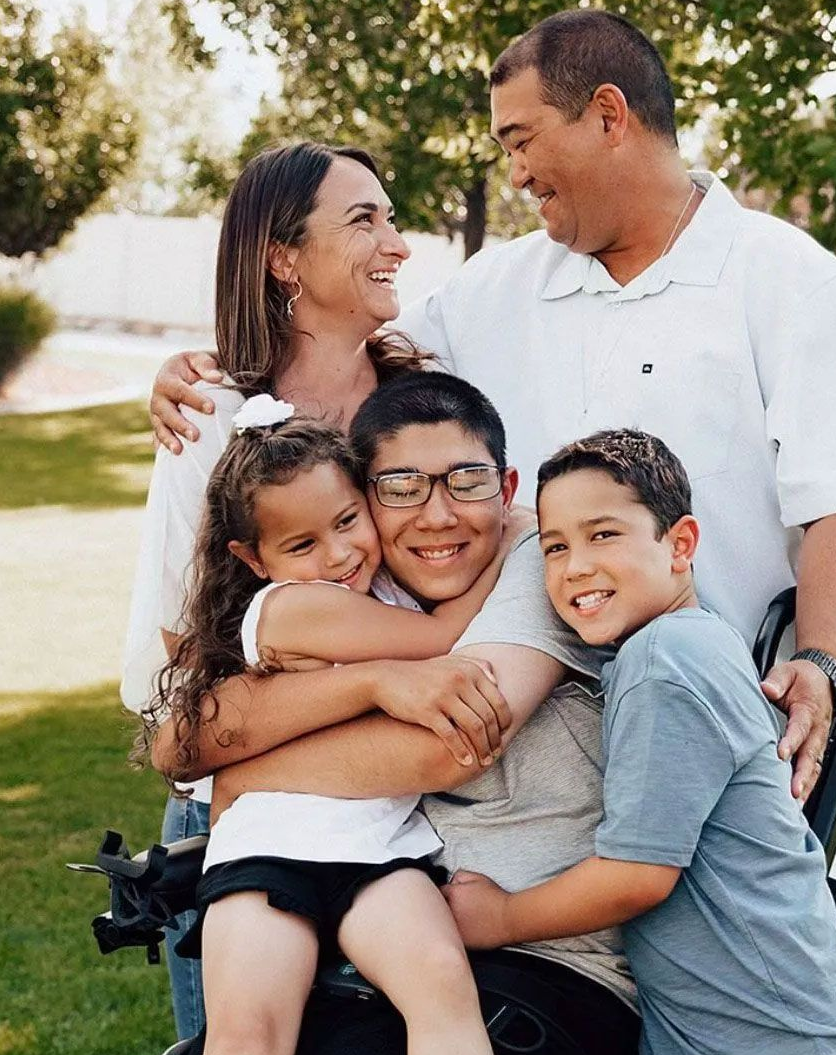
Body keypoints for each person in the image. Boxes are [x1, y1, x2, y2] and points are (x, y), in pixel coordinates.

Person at [149, 10, 836, 968]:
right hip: (543, 823)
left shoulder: (791, 281)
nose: (511, 171)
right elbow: (329, 340)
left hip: (742, 795)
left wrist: (825, 665)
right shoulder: (493, 291)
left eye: (520, 138)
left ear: (607, 114)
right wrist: (207, 374)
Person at [120, 140, 495, 1041]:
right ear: (282, 257)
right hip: (240, 815)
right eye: (364, 220)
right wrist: (372, 683)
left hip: (394, 812)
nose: (397, 242)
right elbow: (186, 677)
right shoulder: (212, 417)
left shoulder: (420, 397)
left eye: (391, 216)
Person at [153, 372, 644, 1055]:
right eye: (402, 487)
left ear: (507, 493)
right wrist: (376, 684)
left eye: (466, 482)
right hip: (337, 898)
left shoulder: (537, 560)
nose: (437, 515)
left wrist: (245, 774)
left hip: (545, 963)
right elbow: (180, 740)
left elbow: (449, 743)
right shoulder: (342, 595)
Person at [443, 428, 836, 1055]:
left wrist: (500, 917)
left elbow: (638, 875)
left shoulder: (666, 661)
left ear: (680, 544)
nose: (575, 565)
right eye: (553, 547)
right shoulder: (684, 643)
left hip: (786, 1036)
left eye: (603, 534)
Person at [142, 396, 510, 1055]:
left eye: (347, 520)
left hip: (381, 851)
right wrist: (511, 542)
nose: (340, 554)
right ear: (254, 559)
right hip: (269, 854)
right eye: (303, 543)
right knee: (249, 1033)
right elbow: (440, 636)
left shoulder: (383, 591)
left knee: (443, 990)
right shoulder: (294, 606)